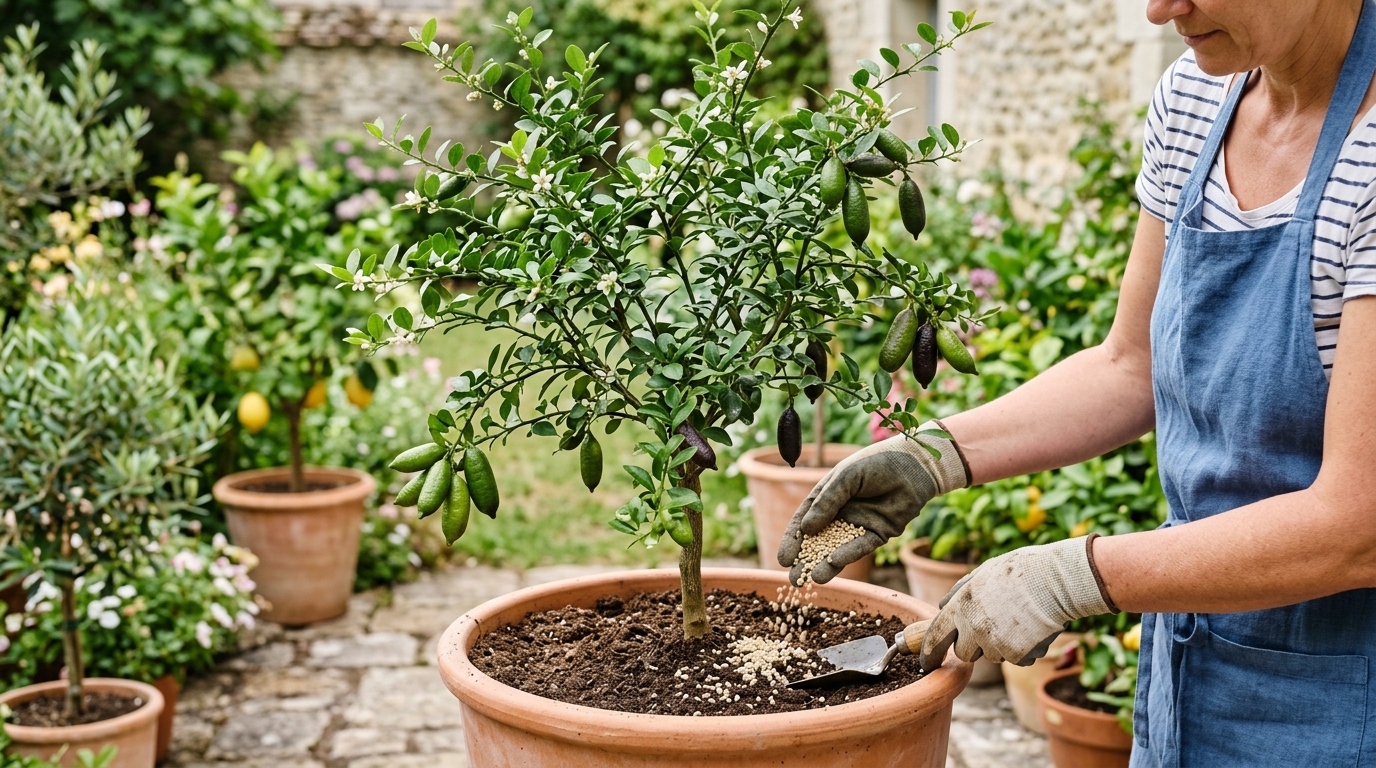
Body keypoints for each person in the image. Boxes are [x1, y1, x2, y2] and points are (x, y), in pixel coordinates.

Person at [779, 0, 1376, 763]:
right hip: (1193, 664)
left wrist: (1073, 576)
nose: (1161, 11)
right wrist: (931, 456)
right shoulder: (1196, 98)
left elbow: (1358, 526)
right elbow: (1132, 365)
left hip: (1344, 699)